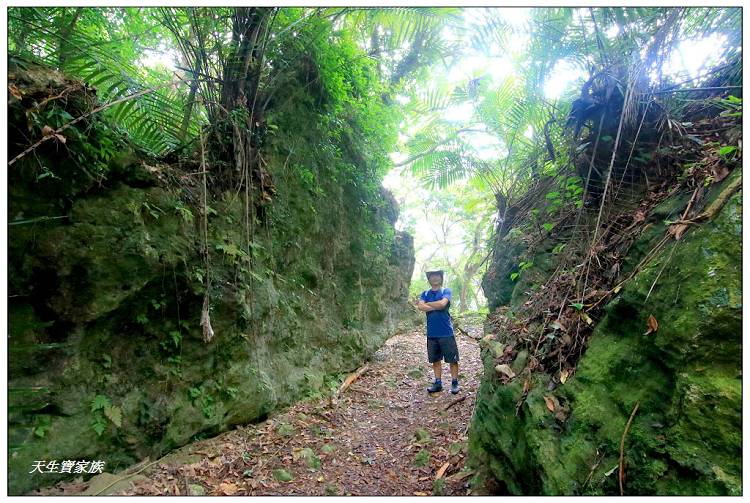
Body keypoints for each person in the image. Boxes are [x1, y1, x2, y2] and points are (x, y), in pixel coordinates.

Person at [417, 270, 460, 394]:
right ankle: (438, 383)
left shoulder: (446, 291)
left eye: (437, 276)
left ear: (441, 278)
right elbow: (420, 306)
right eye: (432, 276)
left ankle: (454, 383)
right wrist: (436, 305)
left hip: (446, 332)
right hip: (432, 334)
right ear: (429, 279)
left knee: (452, 359)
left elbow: (443, 304)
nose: (435, 278)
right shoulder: (425, 293)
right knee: (435, 360)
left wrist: (428, 305)